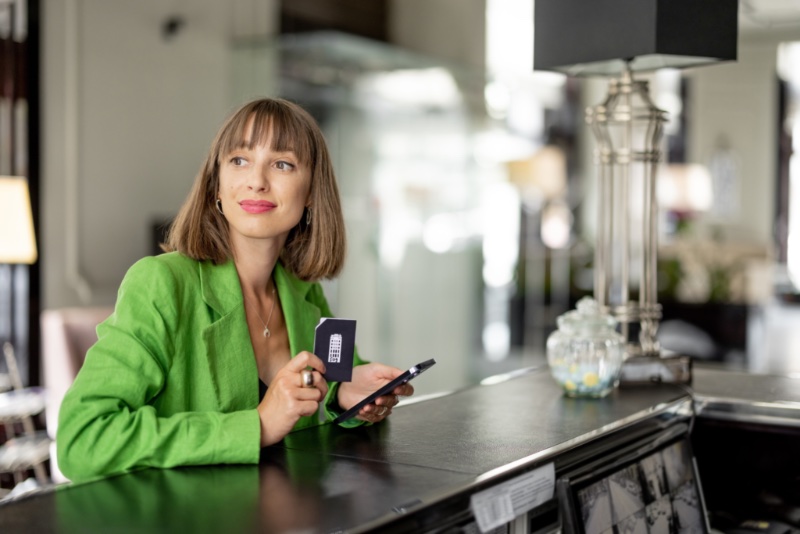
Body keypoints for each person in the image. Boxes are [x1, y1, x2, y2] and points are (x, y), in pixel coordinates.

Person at [56, 98, 414, 482]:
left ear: (311, 193)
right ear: (216, 185)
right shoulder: (160, 284)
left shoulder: (304, 292)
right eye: (240, 160)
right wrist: (257, 425)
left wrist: (344, 395)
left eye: (282, 164)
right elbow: (81, 440)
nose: (256, 180)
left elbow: (325, 389)